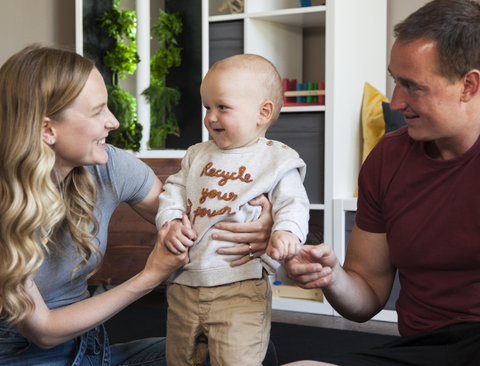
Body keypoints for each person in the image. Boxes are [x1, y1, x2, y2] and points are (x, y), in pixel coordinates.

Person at [0, 45, 278, 366]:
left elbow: (189, 221)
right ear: (48, 129)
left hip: (93, 349)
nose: (114, 122)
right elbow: (44, 331)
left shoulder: (107, 165)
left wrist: (259, 223)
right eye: (98, 111)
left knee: (245, 353)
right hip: (21, 356)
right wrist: (150, 276)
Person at [283, 0, 480, 365]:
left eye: (412, 86)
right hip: (420, 350)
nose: (395, 101)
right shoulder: (388, 158)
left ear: (468, 85)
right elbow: (368, 294)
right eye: (395, 80)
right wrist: (332, 277)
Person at [155, 54, 310, 365]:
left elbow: (293, 203)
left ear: (263, 112)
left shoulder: (277, 159)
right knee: (180, 358)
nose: (211, 117)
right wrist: (170, 221)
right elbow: (173, 190)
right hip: (185, 281)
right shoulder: (196, 154)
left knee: (236, 358)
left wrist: (287, 231)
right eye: (207, 107)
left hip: (240, 285)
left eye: (222, 107)